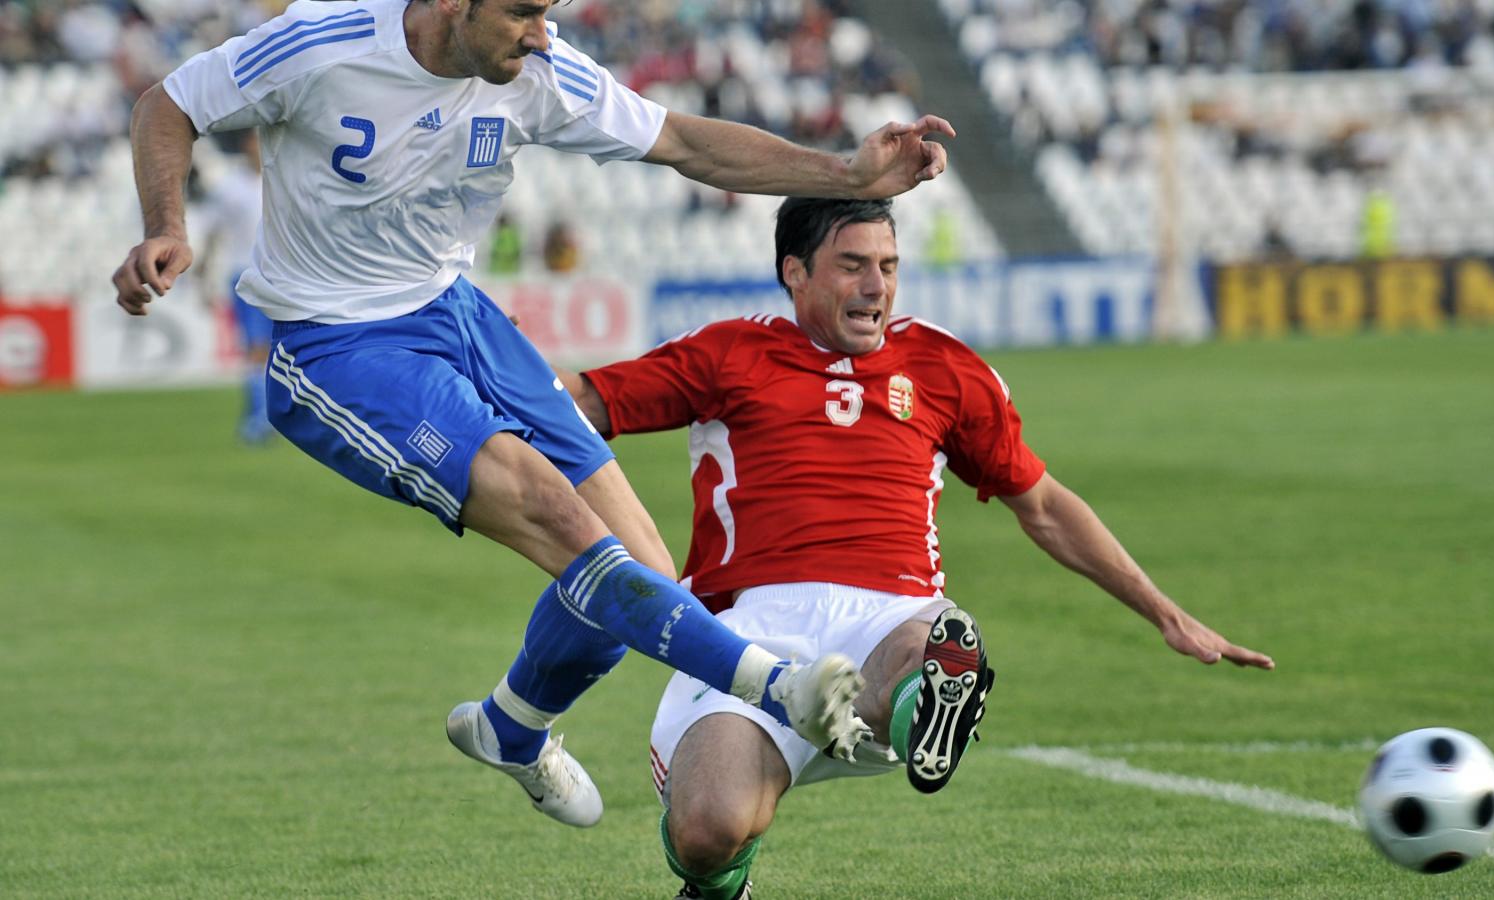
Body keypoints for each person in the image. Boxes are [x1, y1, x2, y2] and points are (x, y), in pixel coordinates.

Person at [109, 0, 957, 830]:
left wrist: (845, 175)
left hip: (458, 313)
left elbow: (687, 142)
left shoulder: (539, 71)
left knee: (643, 571)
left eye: (547, 10)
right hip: (342, 345)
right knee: (557, 517)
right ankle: (776, 686)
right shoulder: (321, 43)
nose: (541, 32)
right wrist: (166, 225)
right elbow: (169, 103)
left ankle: (509, 728)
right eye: (522, 11)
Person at [561, 197, 1275, 899]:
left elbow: (1046, 505)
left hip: (890, 610)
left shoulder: (942, 366)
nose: (876, 285)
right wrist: (473, 390)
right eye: (852, 266)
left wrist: (1163, 612)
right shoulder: (728, 353)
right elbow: (580, 403)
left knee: (932, 645)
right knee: (707, 831)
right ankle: (722, 879)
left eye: (888, 265)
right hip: (747, 628)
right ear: (795, 272)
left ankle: (919, 705)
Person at [194, 129, 274, 444]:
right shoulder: (229, 187)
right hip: (245, 275)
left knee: (276, 350)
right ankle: (259, 420)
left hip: (280, 277)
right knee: (256, 349)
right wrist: (202, 272)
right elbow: (212, 232)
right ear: (246, 146)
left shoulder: (278, 178)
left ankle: (266, 415)